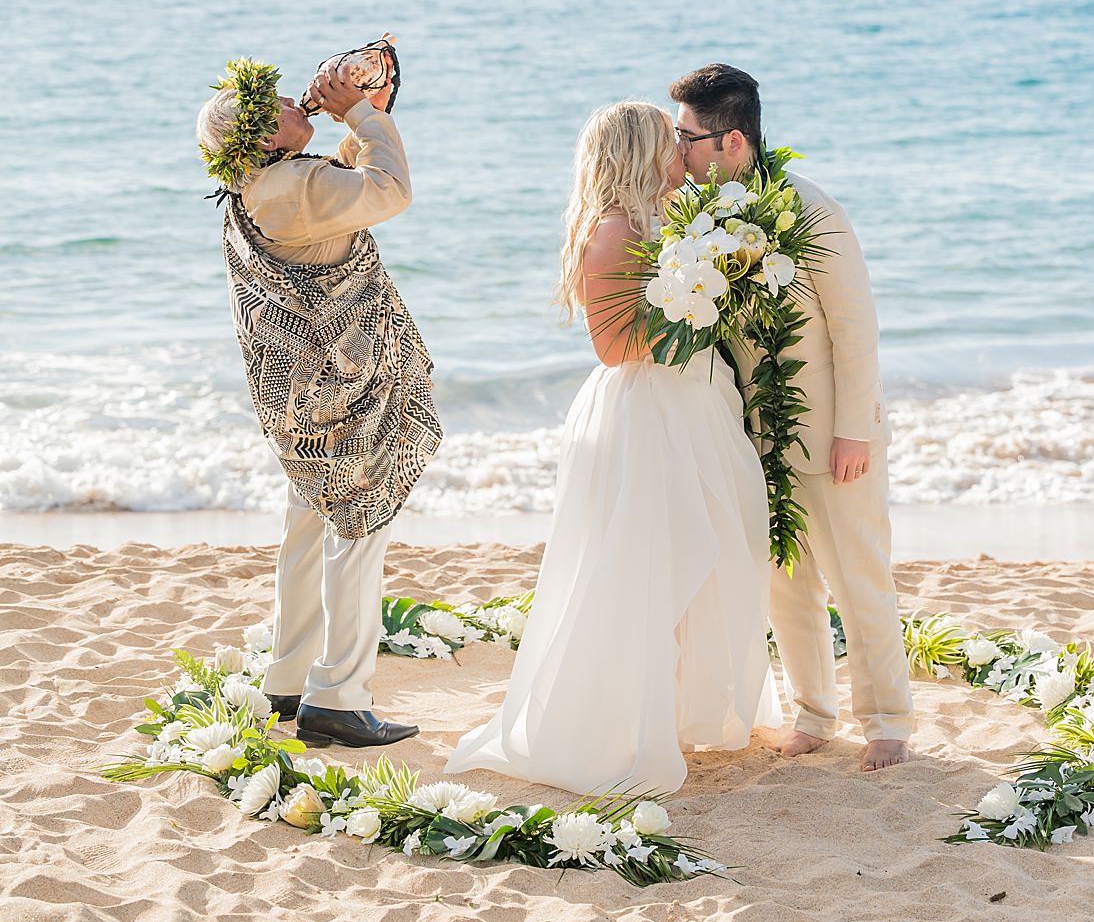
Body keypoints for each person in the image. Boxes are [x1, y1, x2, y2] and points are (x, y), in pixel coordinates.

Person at [445, 101, 781, 797]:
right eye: (670, 141)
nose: (681, 152)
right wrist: (696, 312)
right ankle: (622, 727)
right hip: (642, 417)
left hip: (693, 407)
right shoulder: (612, 233)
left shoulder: (671, 222)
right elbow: (614, 345)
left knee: (718, 550)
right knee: (642, 571)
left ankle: (688, 710)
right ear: (639, 153)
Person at [670, 63, 913, 772]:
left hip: (837, 437)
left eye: (686, 136)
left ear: (732, 142)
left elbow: (854, 326)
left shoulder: (810, 211)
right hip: (756, 436)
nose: (676, 150)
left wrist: (855, 431)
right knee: (786, 584)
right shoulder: (705, 216)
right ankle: (814, 712)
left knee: (859, 578)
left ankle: (889, 720)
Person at [195, 55, 441, 750]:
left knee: (307, 524)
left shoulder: (266, 184)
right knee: (358, 529)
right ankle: (339, 695)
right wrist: (364, 117)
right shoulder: (292, 186)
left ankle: (289, 676)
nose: (289, 95)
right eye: (272, 102)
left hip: (303, 392)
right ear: (264, 139)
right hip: (341, 389)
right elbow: (387, 191)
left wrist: (367, 117)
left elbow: (337, 186)